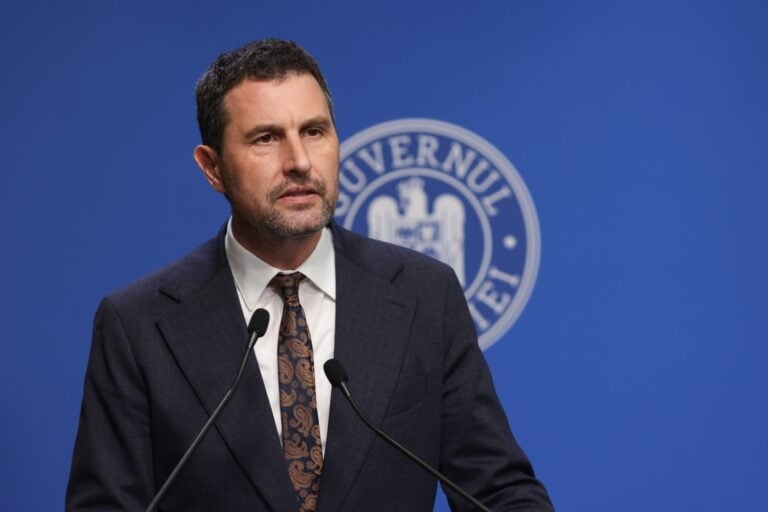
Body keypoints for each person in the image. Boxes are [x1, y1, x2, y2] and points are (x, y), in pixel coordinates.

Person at [66, 38, 554, 511]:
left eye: (315, 132)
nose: (299, 162)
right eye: (266, 138)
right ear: (212, 168)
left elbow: (500, 492)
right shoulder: (137, 325)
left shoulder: (425, 295)